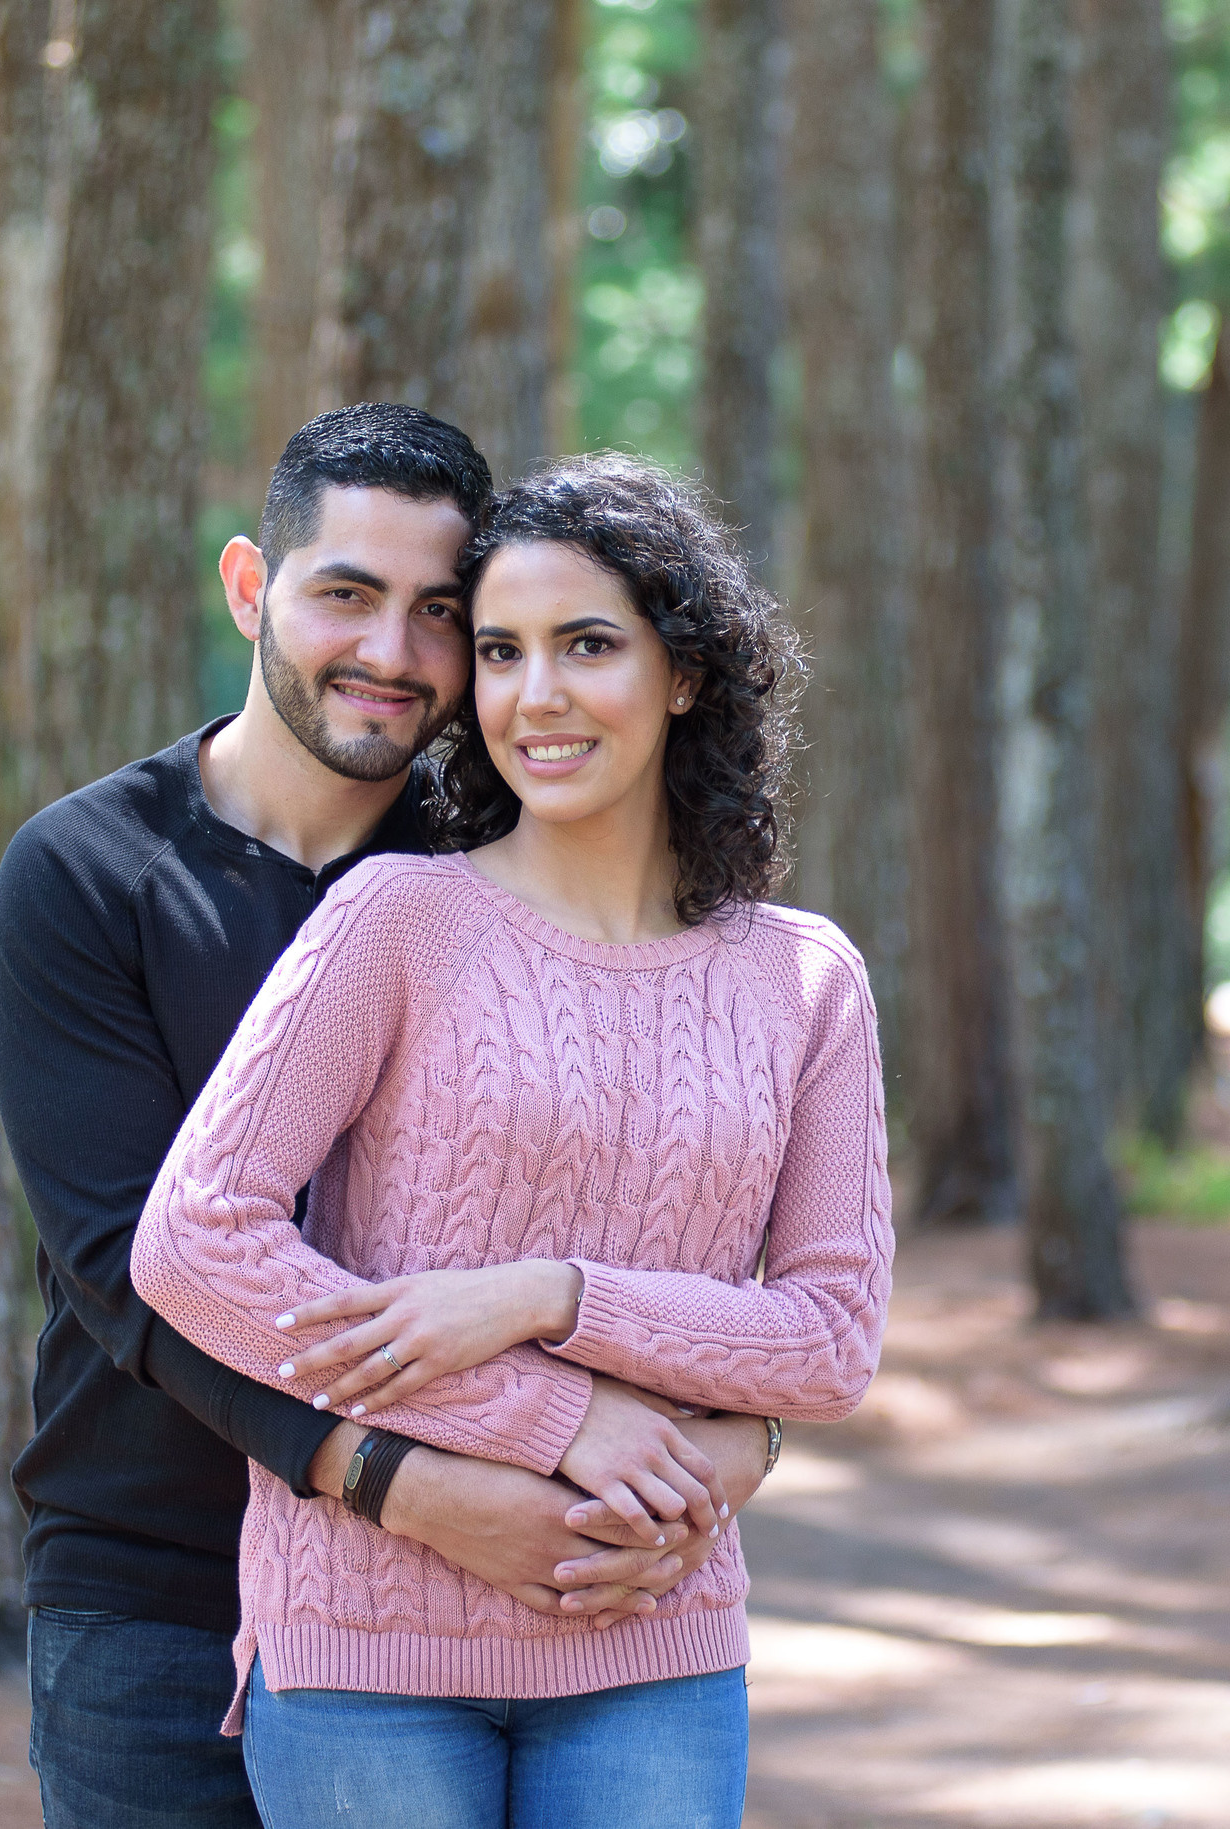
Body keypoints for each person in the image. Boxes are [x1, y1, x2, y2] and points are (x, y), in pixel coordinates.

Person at [0, 405, 775, 1829]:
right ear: (250, 587)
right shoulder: (92, 872)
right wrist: (395, 1478)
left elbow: (667, 1207)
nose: (393, 655)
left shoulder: (501, 867)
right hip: (153, 1588)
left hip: (460, 1607)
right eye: (345, 594)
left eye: (440, 615)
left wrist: (734, 1442)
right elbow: (129, 1270)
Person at [131, 452, 894, 1828]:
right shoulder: (398, 921)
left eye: (587, 644)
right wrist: (554, 1416)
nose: (534, 695)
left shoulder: (806, 976)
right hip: (366, 1647)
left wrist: (551, 1298)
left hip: (649, 1637)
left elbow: (832, 1334)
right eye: (499, 651)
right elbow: (194, 1239)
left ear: (687, 674)